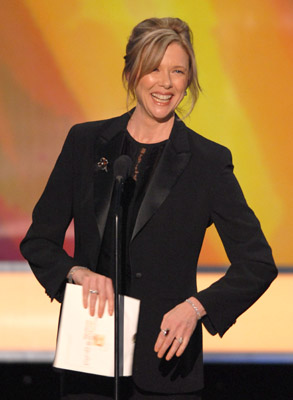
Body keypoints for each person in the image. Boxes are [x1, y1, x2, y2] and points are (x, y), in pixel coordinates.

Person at [20, 17, 277, 400]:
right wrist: (76, 272)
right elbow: (39, 241)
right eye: (154, 68)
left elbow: (257, 263)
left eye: (177, 71)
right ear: (131, 72)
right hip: (91, 356)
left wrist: (196, 307)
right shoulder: (86, 143)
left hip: (166, 363)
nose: (166, 83)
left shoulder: (208, 162)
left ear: (188, 80)